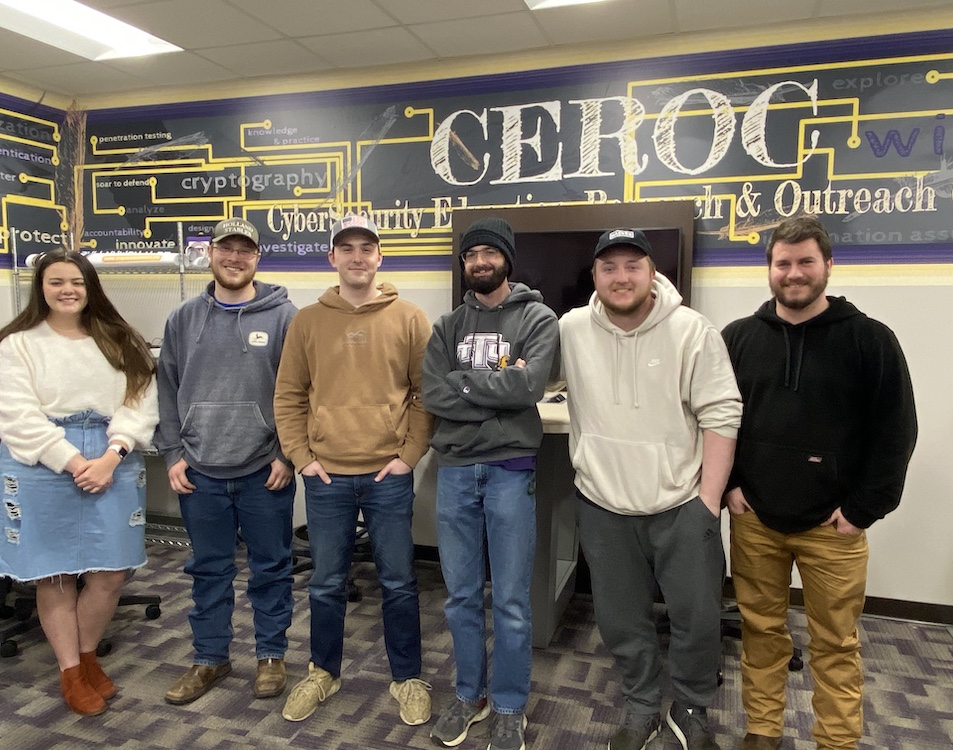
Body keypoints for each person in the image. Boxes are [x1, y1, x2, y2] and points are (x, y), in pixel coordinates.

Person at [721, 215, 918, 750]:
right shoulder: (738, 338)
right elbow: (716, 421)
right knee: (762, 633)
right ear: (769, 268)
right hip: (755, 520)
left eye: (805, 261)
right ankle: (762, 730)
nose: (794, 273)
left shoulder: (870, 340)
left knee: (835, 643)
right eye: (782, 263)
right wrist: (730, 486)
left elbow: (896, 432)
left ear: (828, 265)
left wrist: (862, 511)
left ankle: (836, 740)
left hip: (834, 528)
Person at [558, 228, 742, 750]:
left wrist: (708, 503)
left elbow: (722, 413)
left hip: (682, 505)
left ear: (652, 272)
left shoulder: (692, 331)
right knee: (621, 620)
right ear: (594, 275)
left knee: (697, 618)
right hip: (603, 504)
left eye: (632, 265)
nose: (621, 277)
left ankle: (690, 708)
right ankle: (640, 705)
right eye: (609, 267)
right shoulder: (571, 329)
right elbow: (533, 375)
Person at [0, 248, 158, 716]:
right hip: (43, 462)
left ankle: (87, 654)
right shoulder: (17, 344)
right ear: (40, 288)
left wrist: (111, 456)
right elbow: (15, 416)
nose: (67, 290)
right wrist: (75, 461)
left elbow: (141, 402)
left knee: (110, 572)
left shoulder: (120, 339)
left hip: (112, 457)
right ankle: (71, 670)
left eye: (76, 282)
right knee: (55, 573)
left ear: (90, 287)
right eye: (56, 281)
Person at [273, 214, 434, 726]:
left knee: (399, 582)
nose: (358, 257)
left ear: (380, 257)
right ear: (333, 258)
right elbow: (288, 396)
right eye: (347, 248)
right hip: (327, 476)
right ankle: (324, 672)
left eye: (367, 247)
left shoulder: (409, 318)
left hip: (389, 475)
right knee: (326, 583)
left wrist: (409, 456)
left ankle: (407, 677)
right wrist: (303, 458)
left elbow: (425, 394)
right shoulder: (307, 321)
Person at [423, 217, 559, 750]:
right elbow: (435, 393)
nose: (480, 262)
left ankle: (508, 706)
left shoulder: (538, 318)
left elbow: (529, 387)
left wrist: (466, 384)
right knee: (459, 596)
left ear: (507, 259)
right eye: (471, 254)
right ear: (464, 264)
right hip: (456, 469)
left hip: (510, 469)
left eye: (490, 253)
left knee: (511, 601)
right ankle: (469, 696)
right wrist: (498, 390)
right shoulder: (447, 327)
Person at [155, 217, 298, 705]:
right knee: (208, 571)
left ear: (257, 258)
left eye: (245, 250)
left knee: (271, 567)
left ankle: (271, 655)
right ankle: (210, 658)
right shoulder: (183, 319)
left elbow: (301, 391)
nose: (235, 258)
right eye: (226, 248)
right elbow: (167, 388)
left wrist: (286, 454)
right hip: (200, 470)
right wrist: (173, 453)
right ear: (210, 253)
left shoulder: (285, 317)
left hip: (265, 470)